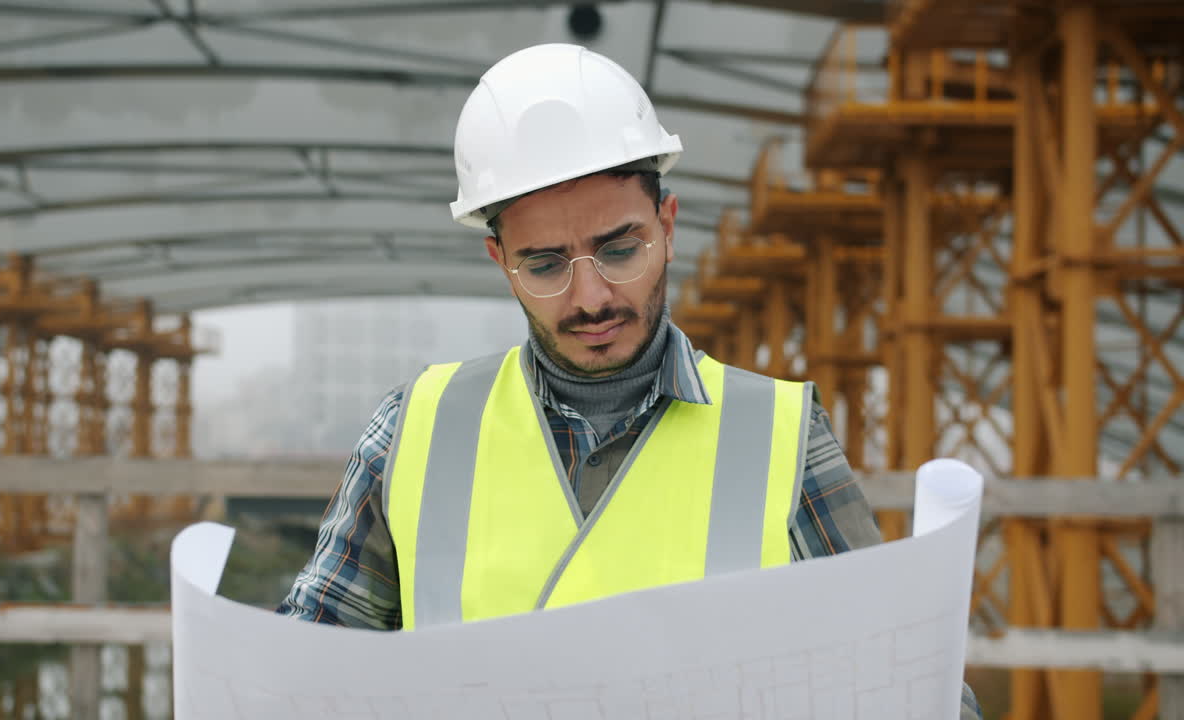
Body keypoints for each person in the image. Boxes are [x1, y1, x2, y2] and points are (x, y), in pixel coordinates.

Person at [278, 43, 980, 719]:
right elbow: (303, 669)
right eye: (546, 266)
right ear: (501, 260)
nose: (591, 298)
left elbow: (908, 680)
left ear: (668, 227)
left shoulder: (780, 439)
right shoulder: (414, 431)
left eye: (620, 250)